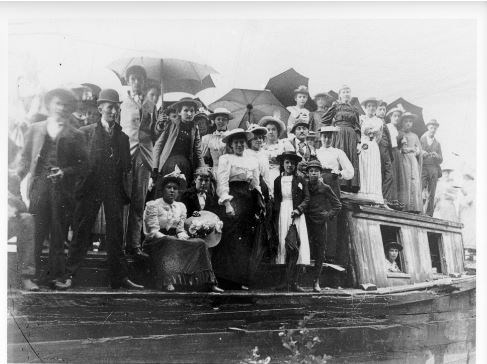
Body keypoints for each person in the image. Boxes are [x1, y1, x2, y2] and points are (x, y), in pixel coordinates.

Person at [59, 89, 143, 291]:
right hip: (90, 188)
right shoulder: (86, 133)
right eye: (110, 107)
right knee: (81, 230)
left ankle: (119, 278)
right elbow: (75, 162)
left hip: (113, 188)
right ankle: (69, 274)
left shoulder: (122, 137)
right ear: (100, 109)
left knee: (116, 232)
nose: (114, 111)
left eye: (116, 107)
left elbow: (126, 167)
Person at [17, 88, 87, 287]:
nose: (62, 108)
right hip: (40, 186)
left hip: (63, 190)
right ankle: (31, 276)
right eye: (58, 103)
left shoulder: (76, 134)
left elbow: (84, 165)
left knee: (58, 232)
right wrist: (14, 176)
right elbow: (24, 159)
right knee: (36, 231)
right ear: (49, 105)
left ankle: (56, 276)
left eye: (66, 105)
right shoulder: (35, 128)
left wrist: (65, 171)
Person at [143, 169, 223, 292]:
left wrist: (186, 238)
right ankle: (168, 280)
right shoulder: (153, 205)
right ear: (162, 190)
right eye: (168, 187)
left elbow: (180, 230)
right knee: (169, 241)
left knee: (200, 243)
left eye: (175, 188)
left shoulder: (180, 207)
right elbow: (153, 231)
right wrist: (171, 239)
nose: (171, 191)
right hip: (156, 241)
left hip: (173, 238)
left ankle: (208, 282)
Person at [213, 128, 262, 290]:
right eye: (236, 143)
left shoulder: (251, 160)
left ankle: (241, 278)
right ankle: (226, 279)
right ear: (231, 145)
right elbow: (222, 182)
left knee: (245, 238)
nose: (240, 145)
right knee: (230, 238)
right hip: (233, 200)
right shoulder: (226, 159)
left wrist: (259, 201)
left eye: (242, 142)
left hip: (248, 201)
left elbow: (255, 184)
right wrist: (227, 204)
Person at [120, 65, 157, 259]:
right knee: (122, 198)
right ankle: (119, 243)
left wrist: (160, 124)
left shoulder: (151, 104)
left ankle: (134, 244)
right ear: (128, 81)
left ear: (144, 81)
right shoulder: (121, 104)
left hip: (144, 154)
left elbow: (155, 133)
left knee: (139, 200)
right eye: (133, 78)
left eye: (140, 79)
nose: (136, 82)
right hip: (126, 153)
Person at [316, 126, 354, 263]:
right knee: (318, 214)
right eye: (324, 136)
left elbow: (350, 171)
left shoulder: (338, 152)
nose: (327, 139)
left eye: (330, 136)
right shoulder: (316, 152)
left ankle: (329, 254)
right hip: (318, 184)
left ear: (333, 138)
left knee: (331, 216)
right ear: (320, 137)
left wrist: (339, 173)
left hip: (332, 183)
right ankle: (317, 252)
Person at [153, 97, 204, 198]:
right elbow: (158, 145)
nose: (189, 114)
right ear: (179, 112)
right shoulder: (171, 124)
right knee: (167, 194)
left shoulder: (195, 128)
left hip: (186, 166)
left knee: (182, 195)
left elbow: (198, 152)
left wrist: (202, 169)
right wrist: (155, 167)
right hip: (169, 164)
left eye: (192, 111)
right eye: (186, 110)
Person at [274, 151, 310, 292]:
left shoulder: (300, 180)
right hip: (283, 212)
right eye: (287, 162)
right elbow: (277, 199)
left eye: (292, 163)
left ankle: (294, 282)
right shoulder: (278, 180)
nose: (290, 165)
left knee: (296, 245)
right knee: (284, 245)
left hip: (296, 214)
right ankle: (285, 282)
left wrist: (298, 210)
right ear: (283, 164)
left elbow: (307, 199)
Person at [305, 160, 342, 292]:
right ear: (307, 173)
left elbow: (337, 205)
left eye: (316, 171)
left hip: (320, 223)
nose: (313, 173)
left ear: (320, 173)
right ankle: (298, 280)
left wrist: (327, 215)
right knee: (303, 249)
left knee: (320, 253)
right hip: (306, 222)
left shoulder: (325, 187)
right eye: (311, 171)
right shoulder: (305, 185)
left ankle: (316, 282)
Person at [322, 85, 361, 192]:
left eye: (348, 92)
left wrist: (359, 142)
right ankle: (339, 183)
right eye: (343, 92)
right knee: (340, 155)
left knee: (351, 156)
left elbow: (357, 127)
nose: (346, 94)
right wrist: (333, 126)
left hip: (351, 135)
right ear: (340, 95)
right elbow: (324, 119)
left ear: (350, 94)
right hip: (339, 134)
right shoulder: (336, 107)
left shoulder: (354, 109)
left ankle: (351, 185)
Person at [8, 171, 38, 291]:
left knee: (27, 219)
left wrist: (7, 196)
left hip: (7, 222)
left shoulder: (11, 177)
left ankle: (26, 275)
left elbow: (23, 207)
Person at [357, 97, 384, 204]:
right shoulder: (361, 119)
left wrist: (372, 140)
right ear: (365, 107)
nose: (371, 108)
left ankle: (374, 196)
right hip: (363, 145)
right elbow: (358, 132)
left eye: (373, 106)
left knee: (373, 169)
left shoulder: (379, 121)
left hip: (372, 146)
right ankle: (363, 193)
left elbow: (379, 137)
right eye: (369, 106)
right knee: (363, 167)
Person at [397, 112, 423, 213]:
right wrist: (403, 147)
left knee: (414, 180)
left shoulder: (415, 136)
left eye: (410, 122)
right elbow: (398, 148)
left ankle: (415, 206)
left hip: (413, 160)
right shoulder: (399, 133)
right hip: (404, 159)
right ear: (402, 123)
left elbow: (419, 150)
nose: (408, 124)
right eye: (406, 121)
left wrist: (415, 150)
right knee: (405, 179)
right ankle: (405, 205)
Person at [420, 119, 443, 216]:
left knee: (432, 192)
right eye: (431, 127)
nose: (433, 130)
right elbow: (417, 151)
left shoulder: (437, 143)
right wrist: (422, 153)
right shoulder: (422, 139)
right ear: (428, 127)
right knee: (419, 188)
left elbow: (441, 159)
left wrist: (436, 156)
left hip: (434, 169)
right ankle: (418, 210)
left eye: (435, 128)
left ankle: (429, 213)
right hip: (424, 167)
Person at [260, 116, 286, 195]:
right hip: (264, 175)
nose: (271, 132)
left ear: (278, 131)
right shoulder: (261, 147)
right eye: (268, 129)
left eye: (273, 129)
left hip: (280, 174)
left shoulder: (283, 145)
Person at [376, 101, 395, 204]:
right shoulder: (375, 121)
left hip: (386, 151)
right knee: (383, 174)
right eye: (380, 109)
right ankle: (381, 198)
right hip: (379, 150)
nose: (383, 111)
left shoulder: (384, 123)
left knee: (389, 175)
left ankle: (384, 198)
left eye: (384, 109)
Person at [386, 106, 404, 203]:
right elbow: (391, 142)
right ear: (390, 117)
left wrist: (401, 141)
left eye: (398, 116)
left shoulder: (397, 129)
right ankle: (390, 198)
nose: (397, 118)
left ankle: (395, 199)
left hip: (397, 152)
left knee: (397, 174)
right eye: (395, 116)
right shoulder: (388, 126)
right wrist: (399, 138)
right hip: (391, 152)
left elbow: (397, 144)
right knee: (391, 174)